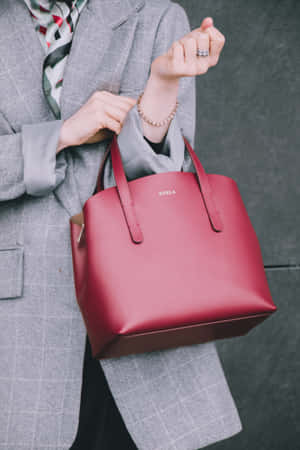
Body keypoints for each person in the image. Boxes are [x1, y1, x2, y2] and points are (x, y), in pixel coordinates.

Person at [0, 0, 243, 448]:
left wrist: (164, 83)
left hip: (139, 297)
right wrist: (61, 135)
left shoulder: (154, 17)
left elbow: (166, 181)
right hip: (18, 315)